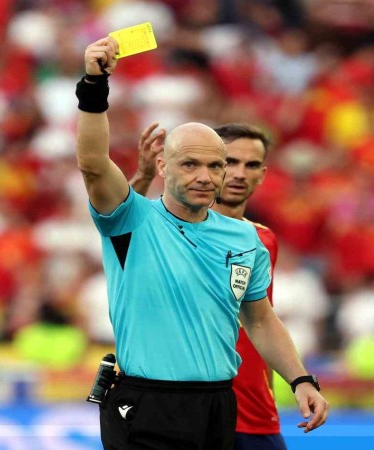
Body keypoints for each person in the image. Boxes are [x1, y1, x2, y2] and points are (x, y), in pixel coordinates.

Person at [75, 36, 328, 450]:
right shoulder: (131, 220)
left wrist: (301, 380)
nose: (204, 177)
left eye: (215, 166)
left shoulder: (245, 237)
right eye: (190, 164)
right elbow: (92, 163)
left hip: (216, 405)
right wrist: (94, 84)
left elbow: (259, 319)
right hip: (146, 403)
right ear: (162, 165)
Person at [131, 122, 287, 449]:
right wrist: (142, 177)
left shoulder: (260, 240)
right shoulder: (164, 230)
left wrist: (282, 389)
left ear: (263, 174)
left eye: (251, 165)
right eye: (230, 162)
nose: (239, 174)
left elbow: (259, 322)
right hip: (184, 405)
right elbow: (121, 217)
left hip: (253, 412)